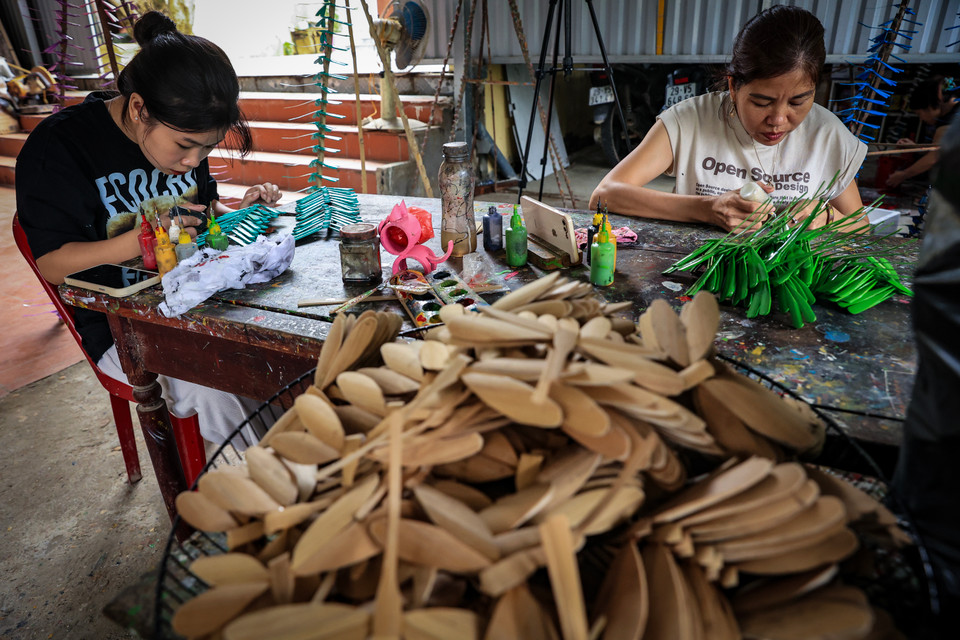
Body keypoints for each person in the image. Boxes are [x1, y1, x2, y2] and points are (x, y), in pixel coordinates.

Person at [16, 11, 281, 448]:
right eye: (185, 145)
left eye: (207, 148)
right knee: (220, 387)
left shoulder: (184, 137)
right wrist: (141, 235)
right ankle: (288, 480)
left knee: (284, 362)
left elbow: (203, 211)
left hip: (200, 302)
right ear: (139, 108)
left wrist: (237, 211)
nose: (193, 162)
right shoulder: (61, 148)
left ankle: (306, 466)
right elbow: (53, 265)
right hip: (123, 328)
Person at [590, 5, 867, 233]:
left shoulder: (827, 134)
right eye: (762, 102)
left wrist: (827, 217)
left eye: (798, 102)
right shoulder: (690, 121)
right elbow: (605, 195)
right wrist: (708, 208)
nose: (778, 119)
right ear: (733, 87)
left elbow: (861, 226)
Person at [886, 76, 958, 189]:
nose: (921, 119)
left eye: (919, 114)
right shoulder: (949, 116)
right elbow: (939, 150)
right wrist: (916, 147)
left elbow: (935, 157)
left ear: (929, 106)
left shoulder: (952, 119)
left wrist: (903, 174)